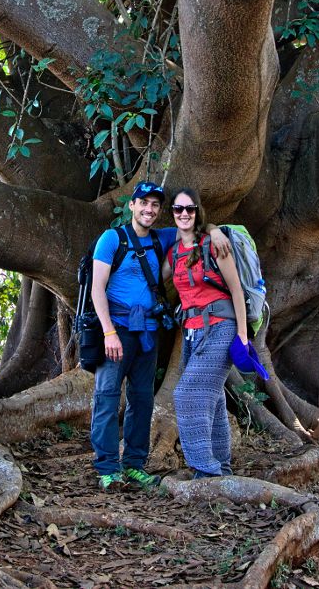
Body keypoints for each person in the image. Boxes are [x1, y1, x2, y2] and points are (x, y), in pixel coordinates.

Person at [88, 181, 228, 490]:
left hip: (148, 332)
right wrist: (108, 331)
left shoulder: (161, 239)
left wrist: (216, 230)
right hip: (117, 328)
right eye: (144, 203)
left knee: (141, 399)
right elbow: (97, 288)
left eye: (155, 205)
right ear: (132, 206)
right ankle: (107, 467)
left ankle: (134, 464)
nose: (149, 209)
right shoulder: (112, 239)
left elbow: (193, 226)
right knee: (108, 396)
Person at [162, 187, 248, 479]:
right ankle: (221, 465)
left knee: (186, 394)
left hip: (221, 327)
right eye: (178, 209)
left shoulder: (213, 245)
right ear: (172, 214)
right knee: (214, 397)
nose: (184, 214)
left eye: (190, 209)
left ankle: (206, 470)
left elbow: (236, 290)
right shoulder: (174, 252)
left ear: (197, 212)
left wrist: (243, 336)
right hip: (191, 333)